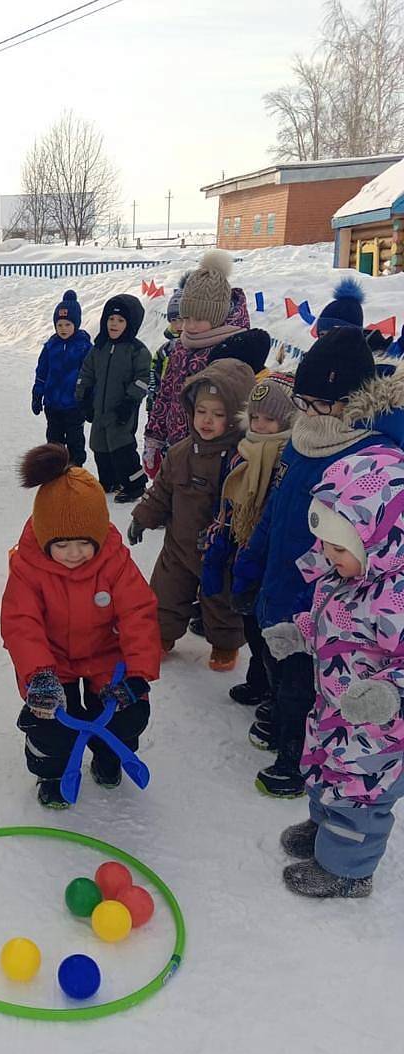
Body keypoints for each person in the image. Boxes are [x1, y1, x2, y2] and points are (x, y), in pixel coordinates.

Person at [233, 329, 404, 798]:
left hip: (326, 591)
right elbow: (276, 507)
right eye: (303, 403)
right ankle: (278, 712)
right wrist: (251, 562)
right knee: (274, 655)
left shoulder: (366, 455)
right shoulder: (301, 439)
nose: (308, 413)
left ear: (352, 400)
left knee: (306, 682)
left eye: (320, 404)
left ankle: (296, 757)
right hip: (281, 575)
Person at [1, 443, 159, 807]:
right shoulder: (29, 568)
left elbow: (139, 613)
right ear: (45, 538)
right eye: (62, 545)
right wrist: (39, 673)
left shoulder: (114, 562)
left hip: (107, 656)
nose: (74, 554)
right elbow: (20, 623)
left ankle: (109, 755)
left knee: (126, 714)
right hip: (53, 661)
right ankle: (52, 772)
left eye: (84, 543)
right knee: (52, 723)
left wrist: (138, 673)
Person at [278, 446, 404, 898]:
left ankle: (348, 871)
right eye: (326, 546)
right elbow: (335, 624)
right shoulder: (347, 576)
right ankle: (324, 831)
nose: (329, 557)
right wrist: (299, 633)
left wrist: (388, 693)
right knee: (325, 771)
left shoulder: (396, 597)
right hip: (334, 710)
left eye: (339, 548)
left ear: (379, 542)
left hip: (377, 731)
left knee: (359, 795)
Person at [128, 359, 255, 670]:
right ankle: (161, 635)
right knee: (166, 592)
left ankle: (225, 643)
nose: (207, 421)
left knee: (220, 599)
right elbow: (162, 490)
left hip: (219, 551)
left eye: (218, 415)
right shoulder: (181, 452)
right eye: (201, 412)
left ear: (237, 417)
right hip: (178, 544)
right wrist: (143, 516)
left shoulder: (242, 459)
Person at [201, 372, 295, 712]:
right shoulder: (243, 452)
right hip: (242, 552)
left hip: (272, 558)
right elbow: (227, 505)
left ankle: (274, 691)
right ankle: (259, 682)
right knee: (251, 623)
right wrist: (216, 549)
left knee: (269, 628)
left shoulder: (288, 459)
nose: (260, 425)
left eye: (270, 418)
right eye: (254, 417)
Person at [144, 250, 250, 478]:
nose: (189, 326)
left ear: (218, 316)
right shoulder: (181, 346)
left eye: (199, 319)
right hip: (175, 446)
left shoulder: (232, 350)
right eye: (186, 318)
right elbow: (165, 393)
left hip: (211, 455)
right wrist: (154, 437)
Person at [75, 293, 151, 502]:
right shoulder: (99, 347)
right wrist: (83, 397)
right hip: (100, 408)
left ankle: (135, 485)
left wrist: (130, 401)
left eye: (120, 320)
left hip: (121, 410)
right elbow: (86, 372)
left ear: (130, 324)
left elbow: (143, 378)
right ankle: (108, 481)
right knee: (99, 445)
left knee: (121, 447)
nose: (114, 324)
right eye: (111, 319)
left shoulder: (137, 350)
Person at [31, 290, 91, 466]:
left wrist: (89, 400)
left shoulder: (84, 347)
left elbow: (90, 375)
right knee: (53, 441)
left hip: (74, 405)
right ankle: (55, 469)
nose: (63, 328)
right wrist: (37, 394)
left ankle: (75, 469)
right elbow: (42, 372)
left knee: (75, 441)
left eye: (68, 324)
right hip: (52, 405)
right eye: (60, 325)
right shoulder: (51, 346)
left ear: (76, 324)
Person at [147, 284, 184, 414]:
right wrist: (152, 397)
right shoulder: (165, 350)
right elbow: (153, 371)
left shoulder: (197, 348)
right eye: (174, 320)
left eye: (182, 319)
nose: (178, 325)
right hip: (165, 402)